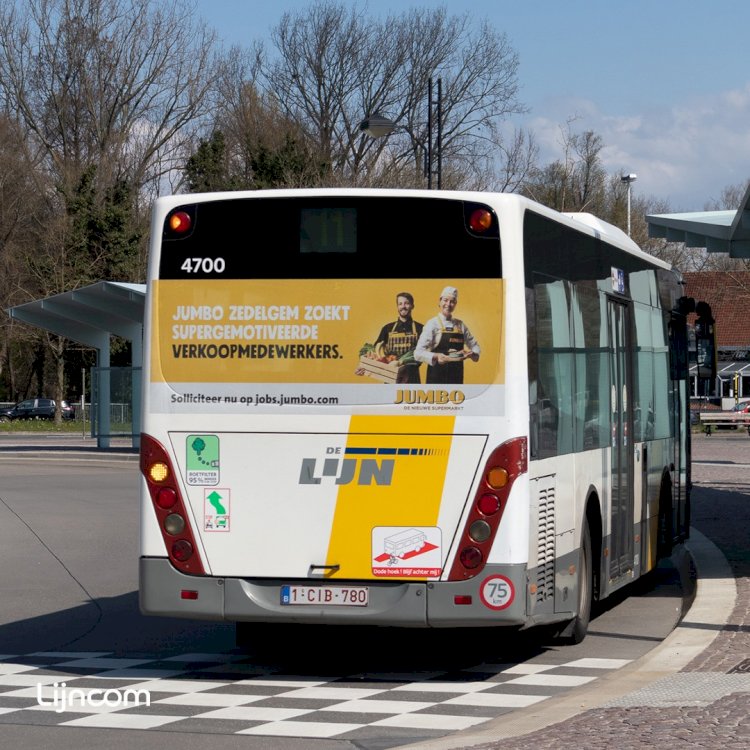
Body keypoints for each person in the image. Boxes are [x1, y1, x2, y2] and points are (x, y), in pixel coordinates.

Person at [414, 286, 480, 384]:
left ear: (455, 304)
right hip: (436, 378)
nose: (448, 304)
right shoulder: (432, 324)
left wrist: (473, 354)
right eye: (445, 300)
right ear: (440, 301)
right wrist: (436, 356)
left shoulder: (460, 325)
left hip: (456, 378)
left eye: (452, 301)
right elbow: (417, 353)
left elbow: (475, 345)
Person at [359, 292, 424, 384]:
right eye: (400, 304)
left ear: (412, 306)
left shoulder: (421, 328)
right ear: (397, 307)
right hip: (390, 377)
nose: (403, 306)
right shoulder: (387, 328)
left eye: (406, 303)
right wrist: (364, 367)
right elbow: (375, 353)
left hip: (412, 377)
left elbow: (425, 353)